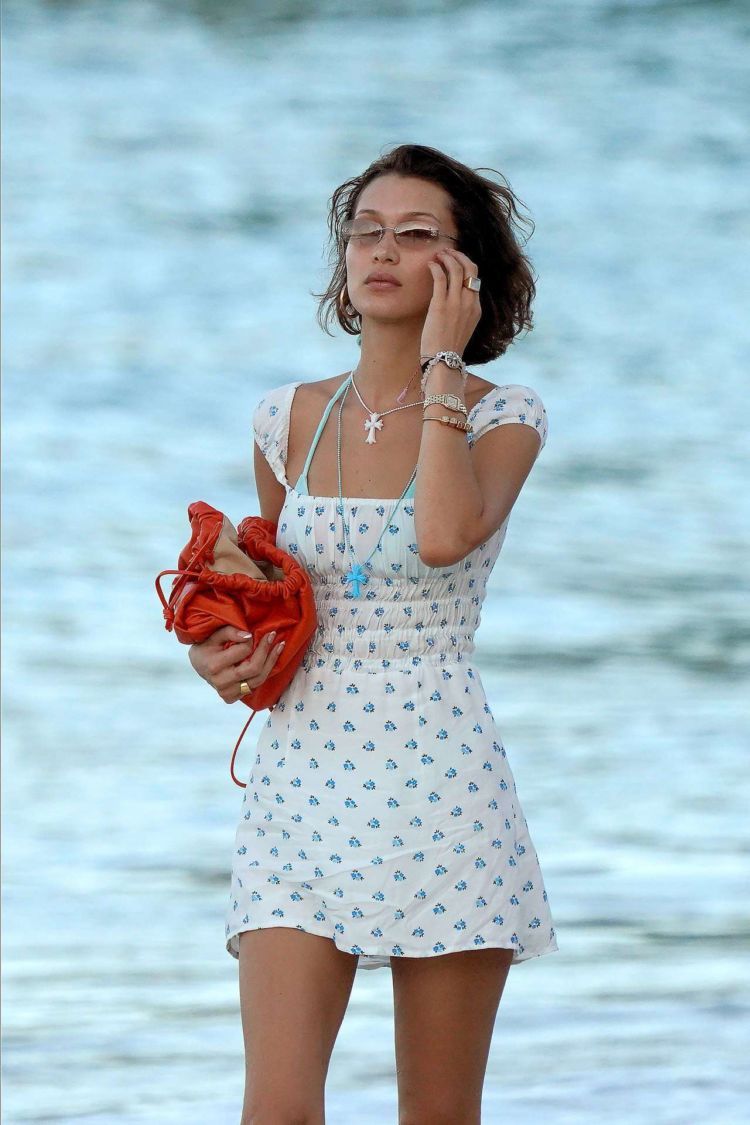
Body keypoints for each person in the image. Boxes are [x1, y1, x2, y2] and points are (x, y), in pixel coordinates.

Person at [189, 143, 558, 1125]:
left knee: (435, 1117)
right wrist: (220, 656)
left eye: (417, 235)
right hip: (301, 788)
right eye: (365, 232)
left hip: (441, 786)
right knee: (274, 1111)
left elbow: (442, 538)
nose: (380, 252)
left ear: (466, 269)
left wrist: (442, 362)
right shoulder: (284, 420)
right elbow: (275, 603)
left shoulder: (503, 417)